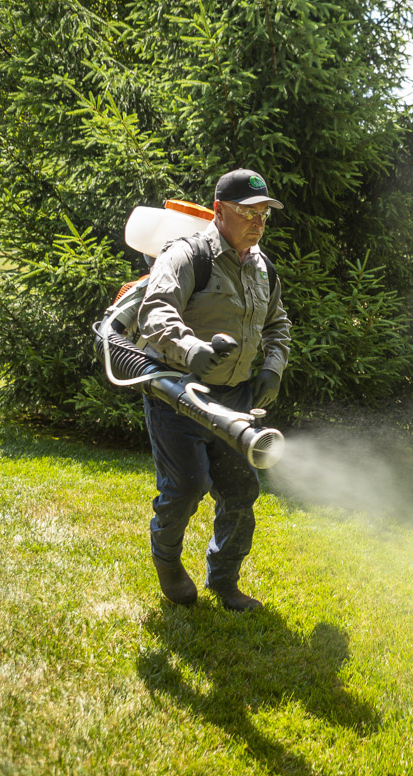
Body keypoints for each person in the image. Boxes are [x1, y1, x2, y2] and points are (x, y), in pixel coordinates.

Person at [135, 168, 290, 611]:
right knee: (186, 487)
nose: (258, 222)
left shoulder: (263, 267)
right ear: (219, 211)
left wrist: (272, 369)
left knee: (240, 493)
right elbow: (156, 312)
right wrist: (192, 349)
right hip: (178, 395)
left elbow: (279, 324)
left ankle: (224, 581)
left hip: (236, 398)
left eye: (264, 214)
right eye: (248, 212)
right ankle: (167, 561)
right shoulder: (188, 256)